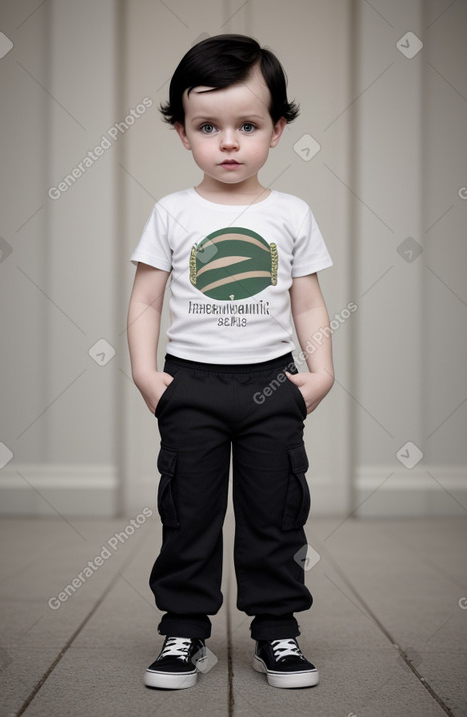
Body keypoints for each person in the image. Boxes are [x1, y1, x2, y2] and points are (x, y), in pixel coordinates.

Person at [127, 33, 334, 690]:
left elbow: (307, 303)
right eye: (207, 126)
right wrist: (145, 371)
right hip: (190, 381)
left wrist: (320, 372)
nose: (228, 142)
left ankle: (278, 630)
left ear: (277, 130)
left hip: (272, 382)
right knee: (188, 508)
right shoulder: (172, 212)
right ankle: (185, 629)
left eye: (247, 125)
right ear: (183, 132)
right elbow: (146, 298)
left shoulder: (292, 214)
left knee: (275, 510)